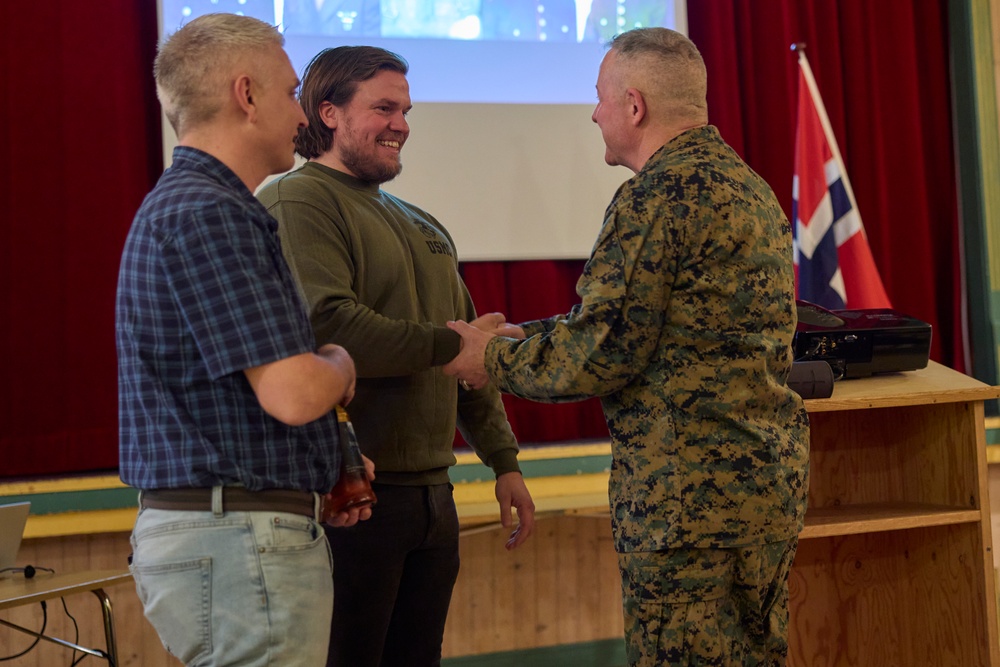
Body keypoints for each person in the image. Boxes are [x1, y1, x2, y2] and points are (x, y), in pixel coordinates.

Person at [444, 27, 810, 667]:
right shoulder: (749, 187)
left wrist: (487, 358)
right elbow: (656, 324)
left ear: (634, 106)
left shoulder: (657, 195)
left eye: (599, 97)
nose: (593, 113)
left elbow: (606, 349)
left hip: (687, 506)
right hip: (762, 491)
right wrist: (528, 336)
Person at [256, 46, 537, 667]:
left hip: (434, 495)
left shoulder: (423, 222)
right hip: (350, 497)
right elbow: (329, 328)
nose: (402, 124)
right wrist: (453, 346)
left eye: (406, 110)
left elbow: (472, 354)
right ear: (327, 113)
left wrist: (503, 461)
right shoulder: (298, 200)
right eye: (383, 107)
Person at [116, 14, 371, 666]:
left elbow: (240, 396)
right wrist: (340, 364)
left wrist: (314, 476)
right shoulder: (211, 211)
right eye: (289, 94)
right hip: (237, 541)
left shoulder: (197, 205)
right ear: (245, 95)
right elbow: (291, 392)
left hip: (234, 532)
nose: (301, 118)